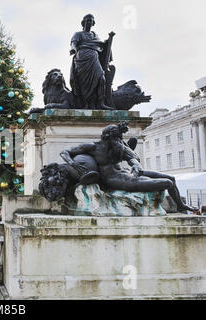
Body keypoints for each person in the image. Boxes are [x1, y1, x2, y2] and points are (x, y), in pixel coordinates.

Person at [59, 122, 197, 212]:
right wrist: (72, 164)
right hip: (114, 179)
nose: (118, 141)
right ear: (106, 138)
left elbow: (132, 157)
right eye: (115, 139)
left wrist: (136, 165)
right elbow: (64, 152)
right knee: (166, 183)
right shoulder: (92, 147)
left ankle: (180, 205)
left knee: (171, 178)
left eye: (118, 138)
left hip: (127, 172)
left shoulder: (117, 146)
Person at [69, 14, 112, 110]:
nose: (89, 22)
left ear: (93, 23)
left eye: (91, 21)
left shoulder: (95, 35)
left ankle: (101, 103)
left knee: (101, 78)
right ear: (83, 22)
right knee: (83, 83)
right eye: (88, 20)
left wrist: (109, 40)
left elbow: (101, 45)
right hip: (82, 58)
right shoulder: (78, 34)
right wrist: (73, 49)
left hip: (94, 57)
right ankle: (85, 104)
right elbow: (73, 43)